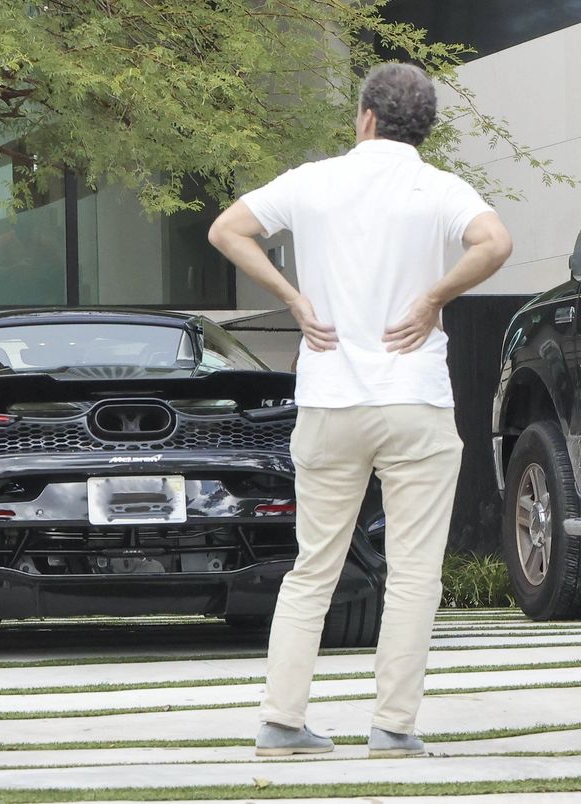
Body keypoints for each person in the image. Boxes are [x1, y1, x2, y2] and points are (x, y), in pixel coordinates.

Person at [208, 63, 512, 758]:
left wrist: (293, 298)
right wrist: (435, 297)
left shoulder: (311, 182)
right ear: (421, 127)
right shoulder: (440, 188)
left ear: (366, 117)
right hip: (415, 402)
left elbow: (228, 230)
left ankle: (281, 721)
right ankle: (393, 728)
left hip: (328, 399)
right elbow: (496, 244)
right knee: (413, 573)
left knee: (313, 566)